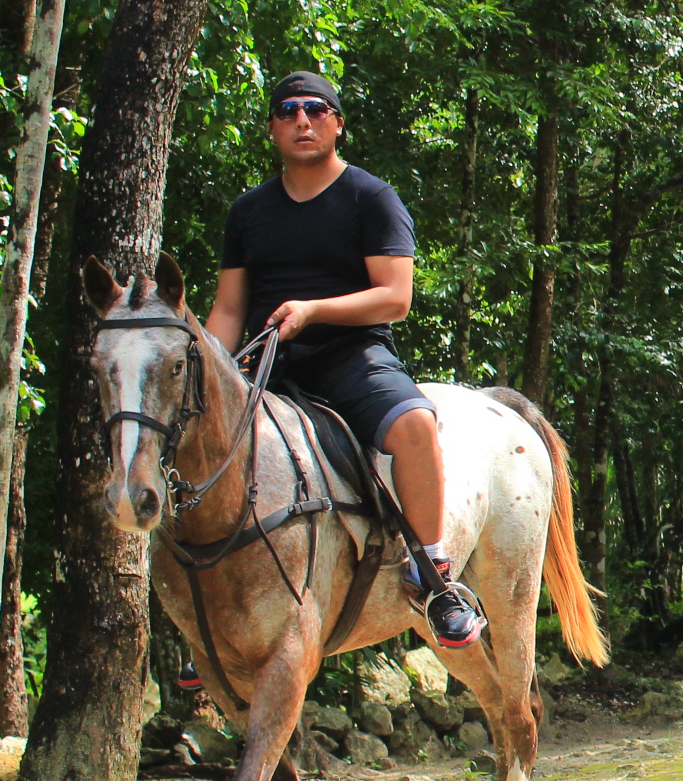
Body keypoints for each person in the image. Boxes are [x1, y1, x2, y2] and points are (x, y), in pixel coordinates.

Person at [201, 71, 485, 648]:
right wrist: (207, 368)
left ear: (337, 124)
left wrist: (313, 310)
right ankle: (203, 611)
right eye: (287, 111)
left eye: (314, 109)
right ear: (273, 128)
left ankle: (434, 577)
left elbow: (395, 296)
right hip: (268, 363)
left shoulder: (370, 197)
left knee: (413, 424)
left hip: (350, 353)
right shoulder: (249, 211)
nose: (301, 120)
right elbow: (229, 310)